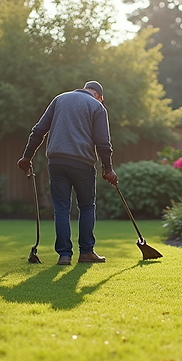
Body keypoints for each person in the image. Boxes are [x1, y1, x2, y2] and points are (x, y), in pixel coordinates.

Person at [17, 81, 118, 266]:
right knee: (86, 206)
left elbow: (38, 131)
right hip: (83, 163)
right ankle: (86, 252)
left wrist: (26, 157)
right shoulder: (97, 107)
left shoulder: (60, 99)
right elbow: (103, 142)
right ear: (100, 97)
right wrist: (108, 169)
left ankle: (64, 255)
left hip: (56, 162)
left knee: (61, 208)